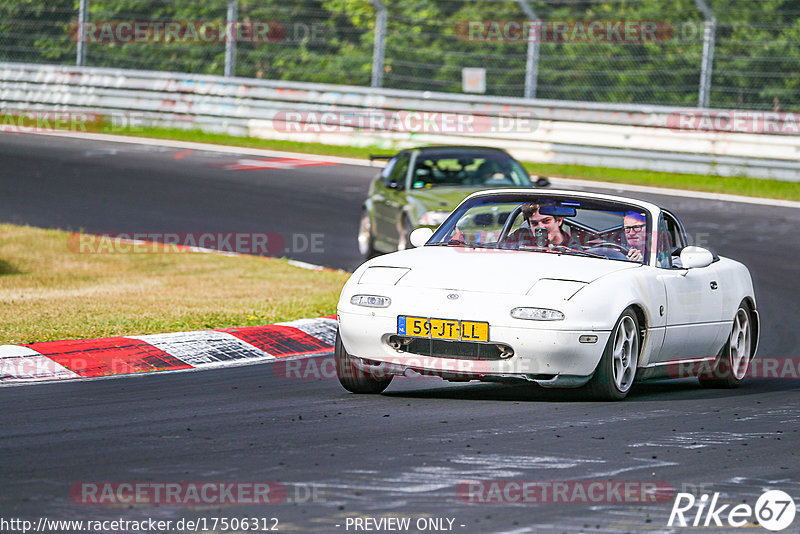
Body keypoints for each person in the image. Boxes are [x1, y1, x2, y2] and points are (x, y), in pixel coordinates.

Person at [505, 203, 580, 249]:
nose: (540, 227)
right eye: (534, 224)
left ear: (559, 220)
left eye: (546, 221)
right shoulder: (520, 236)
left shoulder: (572, 248)